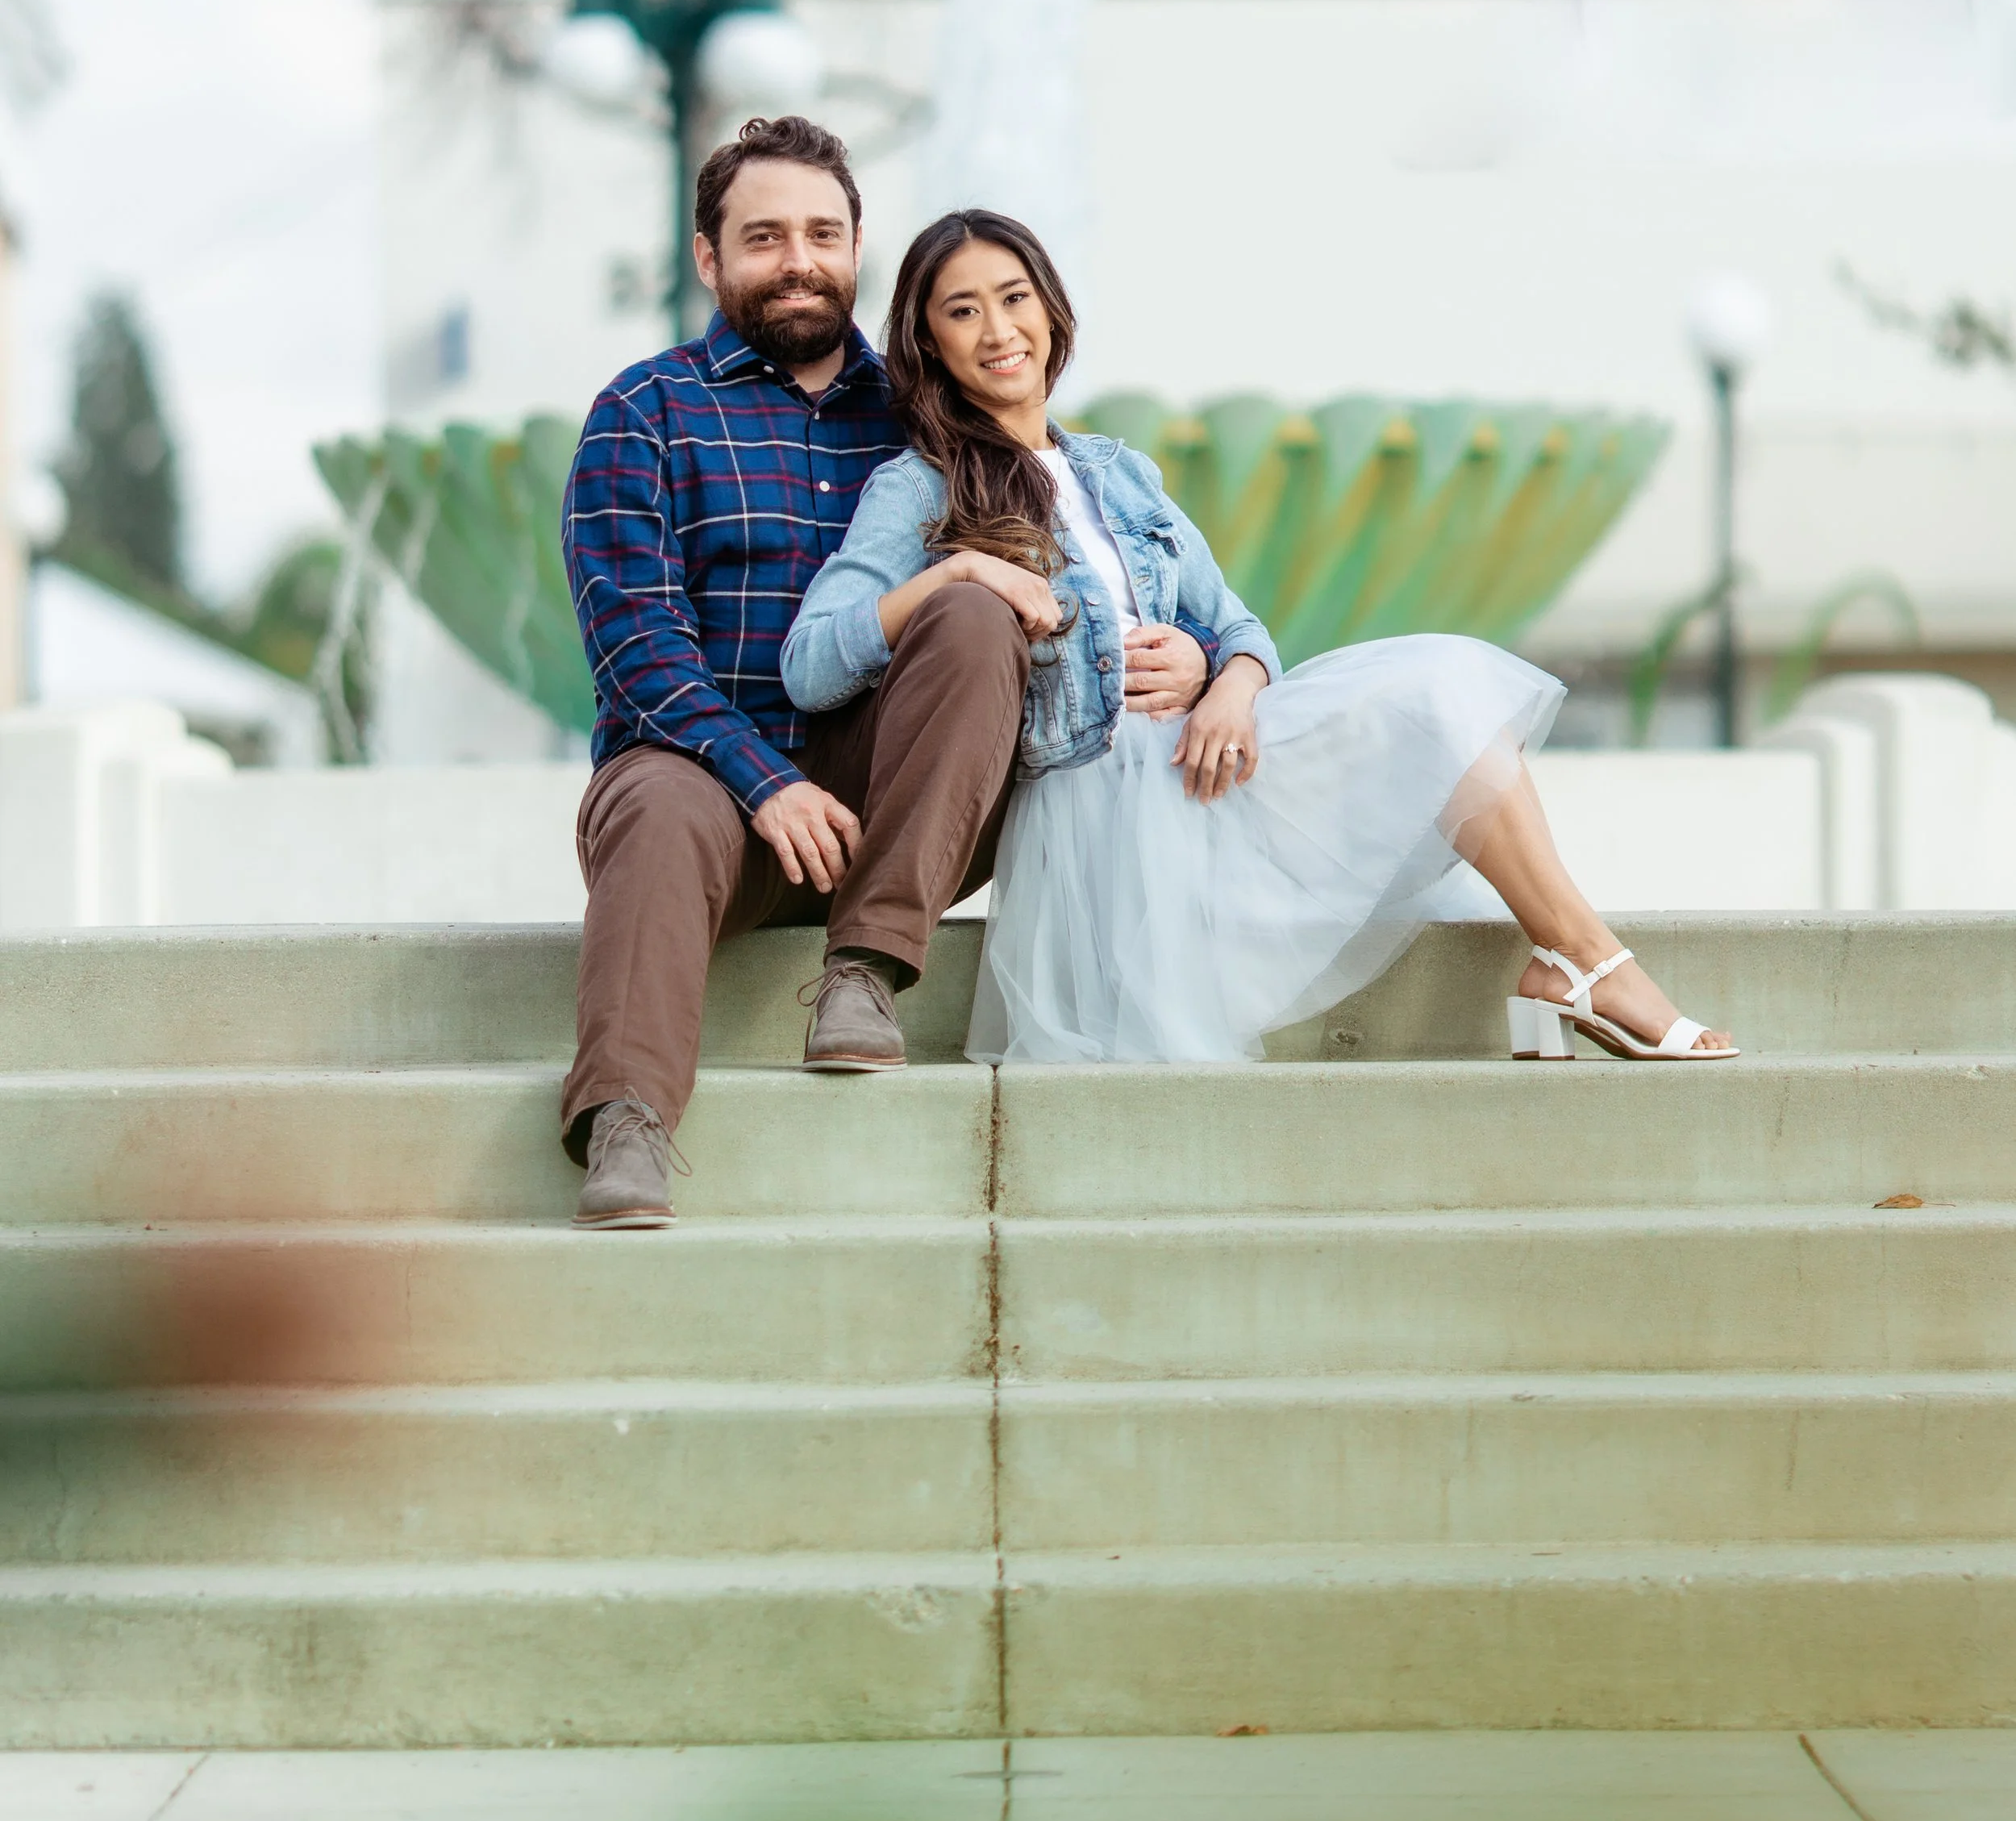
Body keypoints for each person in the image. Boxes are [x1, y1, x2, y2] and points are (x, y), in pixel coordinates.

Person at [781, 209, 1738, 1069]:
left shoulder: (1121, 473)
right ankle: (1590, 969)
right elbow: (812, 660)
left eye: (1013, 298)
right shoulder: (915, 489)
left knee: (1440, 691)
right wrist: (958, 572)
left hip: (1201, 762)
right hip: (1094, 801)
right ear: (929, 344)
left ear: (1050, 311)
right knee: (1431, 708)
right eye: (961, 312)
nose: (997, 331)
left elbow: (1240, 626)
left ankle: (1578, 959)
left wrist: (1224, 678)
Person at [559, 119, 1222, 1228]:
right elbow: (634, 644)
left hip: (901, 801)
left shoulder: (928, 415)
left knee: (971, 608)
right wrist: (763, 780)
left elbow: (1099, 552)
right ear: (709, 257)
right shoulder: (648, 409)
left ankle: (865, 971)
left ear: (858, 245)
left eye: (823, 232)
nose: (799, 257)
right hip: (702, 781)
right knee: (665, 802)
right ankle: (627, 1121)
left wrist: (1200, 654)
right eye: (764, 236)